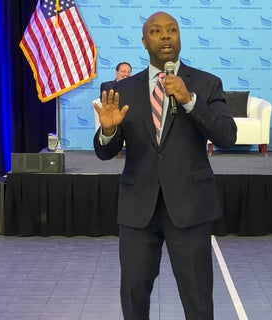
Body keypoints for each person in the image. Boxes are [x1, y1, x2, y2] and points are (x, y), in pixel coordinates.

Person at [92, 11, 237, 320]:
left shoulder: (207, 84)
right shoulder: (121, 89)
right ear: (145, 42)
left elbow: (227, 136)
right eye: (156, 31)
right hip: (137, 209)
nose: (166, 35)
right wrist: (108, 131)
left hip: (190, 206)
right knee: (133, 296)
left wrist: (189, 101)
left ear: (180, 37)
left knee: (198, 298)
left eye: (172, 30)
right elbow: (106, 153)